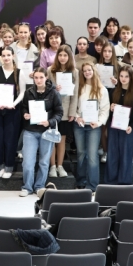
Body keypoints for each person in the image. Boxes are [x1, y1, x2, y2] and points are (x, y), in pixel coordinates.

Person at [20, 67, 63, 197]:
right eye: (36, 78)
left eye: (41, 77)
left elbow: (59, 113)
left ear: (46, 78)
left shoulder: (54, 93)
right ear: (33, 78)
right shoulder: (28, 92)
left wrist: (49, 122)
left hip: (47, 131)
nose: (38, 80)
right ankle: (27, 187)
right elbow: (23, 108)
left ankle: (39, 186)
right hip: (30, 131)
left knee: (44, 162)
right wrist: (25, 114)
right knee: (28, 162)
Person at [0, 46, 27, 179]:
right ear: (0, 57)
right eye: (3, 55)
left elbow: (22, 92)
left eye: (8, 55)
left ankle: (9, 167)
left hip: (12, 111)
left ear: (13, 56)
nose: (6, 58)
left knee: (10, 140)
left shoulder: (19, 72)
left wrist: (13, 104)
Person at [104, 65, 133, 185]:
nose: (123, 79)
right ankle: (110, 182)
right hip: (114, 127)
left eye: (126, 76)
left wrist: (132, 125)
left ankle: (124, 183)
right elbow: (107, 109)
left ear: (131, 77)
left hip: (128, 128)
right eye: (121, 76)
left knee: (126, 155)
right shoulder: (113, 91)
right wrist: (111, 108)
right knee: (112, 154)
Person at [73, 63, 110, 192]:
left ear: (94, 71)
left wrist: (99, 122)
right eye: (84, 71)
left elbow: (105, 109)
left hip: (94, 126)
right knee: (80, 153)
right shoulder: (78, 88)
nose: (87, 72)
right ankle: (81, 182)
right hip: (79, 125)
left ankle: (92, 185)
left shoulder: (102, 89)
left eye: (89, 70)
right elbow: (74, 106)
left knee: (93, 155)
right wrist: (77, 117)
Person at [47, 45, 78, 178]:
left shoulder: (75, 72)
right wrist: (54, 88)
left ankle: (60, 166)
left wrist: (72, 112)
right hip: (52, 111)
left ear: (69, 57)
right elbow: (45, 89)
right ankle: (52, 166)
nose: (62, 58)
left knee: (61, 140)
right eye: (60, 55)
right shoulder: (50, 70)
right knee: (51, 139)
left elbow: (75, 94)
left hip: (66, 110)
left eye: (65, 55)